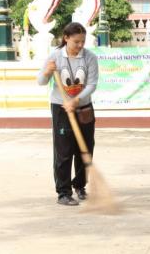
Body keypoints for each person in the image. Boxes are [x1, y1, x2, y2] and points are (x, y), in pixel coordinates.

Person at [38, 22, 99, 206]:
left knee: (85, 148)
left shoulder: (89, 57)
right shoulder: (55, 56)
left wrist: (76, 100)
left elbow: (92, 85)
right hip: (61, 108)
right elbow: (41, 81)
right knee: (64, 150)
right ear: (66, 38)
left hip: (84, 108)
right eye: (76, 42)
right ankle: (63, 192)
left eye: (83, 41)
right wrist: (47, 72)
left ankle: (80, 186)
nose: (80, 45)